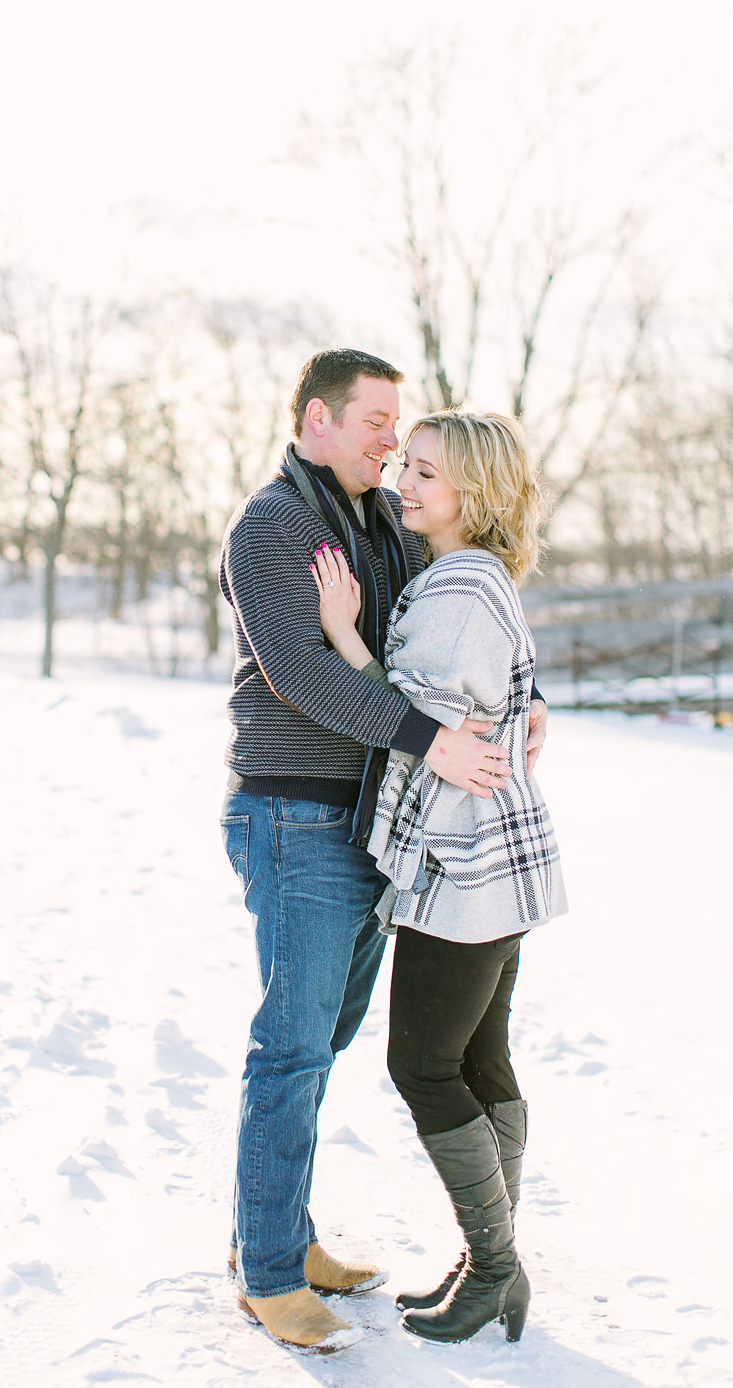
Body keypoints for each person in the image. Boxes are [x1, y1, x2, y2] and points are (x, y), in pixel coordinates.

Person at [218, 350, 547, 1355]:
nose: (389, 442)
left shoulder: (380, 523)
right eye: (373, 421)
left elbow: (449, 648)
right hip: (295, 815)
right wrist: (431, 739)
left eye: (398, 428)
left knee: (321, 1044)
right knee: (291, 1047)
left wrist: (522, 700)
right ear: (317, 419)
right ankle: (270, 1276)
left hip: (365, 825)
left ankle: (275, 1234)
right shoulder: (273, 525)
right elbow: (304, 675)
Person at [311, 408, 566, 1346]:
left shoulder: (459, 591)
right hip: (493, 858)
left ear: (477, 494)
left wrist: (343, 633)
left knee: (421, 1063)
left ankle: (494, 1265)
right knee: (477, 1058)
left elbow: (412, 723)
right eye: (404, 466)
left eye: (427, 474)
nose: (403, 483)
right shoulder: (470, 576)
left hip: (461, 864)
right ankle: (489, 1262)